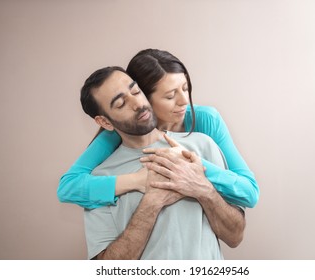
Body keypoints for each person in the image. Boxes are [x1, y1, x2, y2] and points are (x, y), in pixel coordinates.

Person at [57, 49, 259, 209]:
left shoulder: (206, 120)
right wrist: (136, 180)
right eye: (170, 96)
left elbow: (249, 193)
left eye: (185, 88)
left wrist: (194, 166)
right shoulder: (118, 132)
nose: (184, 101)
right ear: (145, 97)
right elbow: (68, 187)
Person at [81, 66, 245, 259]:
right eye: (121, 103)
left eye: (135, 91)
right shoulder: (101, 180)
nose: (137, 103)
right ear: (105, 122)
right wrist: (151, 203)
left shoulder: (201, 145)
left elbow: (235, 236)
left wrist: (202, 189)